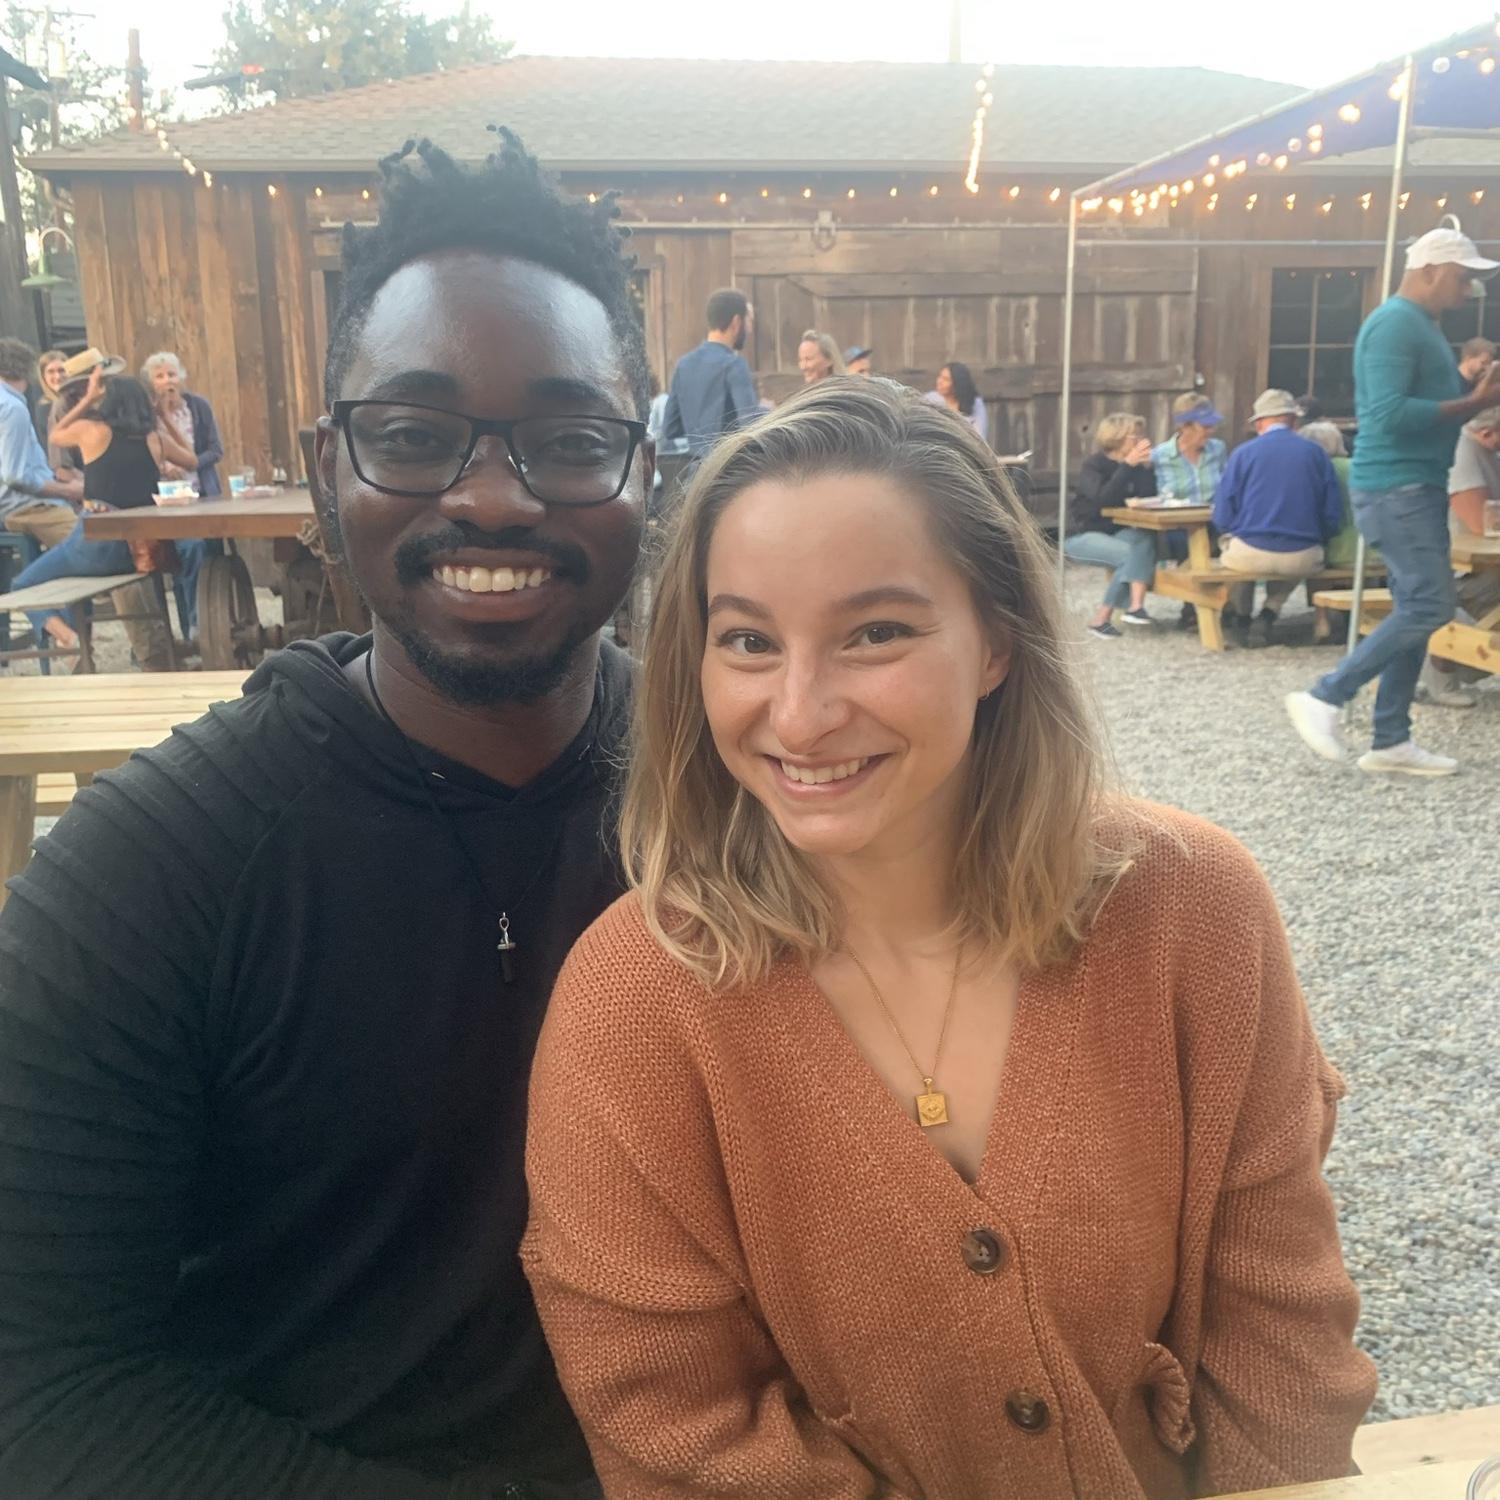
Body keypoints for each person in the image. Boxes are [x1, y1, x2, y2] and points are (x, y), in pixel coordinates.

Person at [523, 378, 1375, 1500]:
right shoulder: (635, 999)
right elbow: (675, 1426)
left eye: (876, 633)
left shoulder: (1193, 911)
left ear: (997, 643)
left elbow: (1282, 1345)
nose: (800, 712)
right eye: (749, 641)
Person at [0, 130, 650, 1497]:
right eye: (411, 437)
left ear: (645, 474)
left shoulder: (754, 800)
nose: (492, 497)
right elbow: (41, 1387)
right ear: (323, 467)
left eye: (570, 441)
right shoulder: (147, 878)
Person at [1287, 223, 1500, 776]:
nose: (1468, 290)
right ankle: (1325, 695)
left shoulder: (1417, 324)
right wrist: (1471, 401)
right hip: (1396, 486)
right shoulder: (1395, 325)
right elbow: (1387, 414)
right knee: (1431, 605)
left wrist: (1473, 394)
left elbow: (1414, 404)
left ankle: (1391, 739)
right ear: (1429, 270)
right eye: (1461, 278)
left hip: (1411, 485)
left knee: (1416, 608)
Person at [10, 364, 191, 668]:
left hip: (94, 547)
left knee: (23, 585)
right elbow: (192, 459)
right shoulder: (155, 439)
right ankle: (143, 651)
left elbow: (56, 435)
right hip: (138, 554)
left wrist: (86, 399)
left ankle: (69, 639)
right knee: (73, 578)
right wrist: (166, 418)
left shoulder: (93, 431)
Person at [1212, 389, 1344, 648]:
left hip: (1250, 552)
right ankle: (1269, 611)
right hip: (1302, 555)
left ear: (1259, 423)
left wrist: (1233, 528)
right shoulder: (1316, 454)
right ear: (1294, 421)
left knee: (1234, 554)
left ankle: (1240, 615)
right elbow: (1331, 513)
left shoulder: (1242, 454)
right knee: (1298, 560)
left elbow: (1223, 514)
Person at [1417, 406, 1500, 708]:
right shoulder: (1464, 452)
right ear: (1487, 433)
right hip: (1464, 571)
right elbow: (1481, 522)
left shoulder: (1484, 451)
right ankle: (1447, 667)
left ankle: (1458, 663)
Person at [141, 350, 228, 636]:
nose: (167, 381)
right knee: (188, 551)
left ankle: (218, 623)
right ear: (150, 382)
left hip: (203, 493)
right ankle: (192, 624)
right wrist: (165, 468)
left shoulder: (198, 407)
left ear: (181, 377)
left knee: (214, 551)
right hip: (168, 501)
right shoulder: (146, 415)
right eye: (160, 376)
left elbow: (215, 450)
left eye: (171, 374)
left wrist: (191, 464)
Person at [1064, 410, 1160, 636]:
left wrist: (1146, 469)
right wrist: (1126, 466)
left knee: (1144, 539)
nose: (1141, 441)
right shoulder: (1094, 465)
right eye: (1135, 436)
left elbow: (1147, 497)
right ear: (1117, 438)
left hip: (1117, 531)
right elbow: (1101, 499)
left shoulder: (1137, 467)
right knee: (1130, 555)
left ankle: (1135, 607)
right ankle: (1101, 619)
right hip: (1083, 534)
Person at [0, 337, 82, 554]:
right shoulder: (12, 408)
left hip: (22, 503)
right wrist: (68, 491)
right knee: (99, 547)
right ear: (28, 370)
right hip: (26, 507)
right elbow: (16, 477)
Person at [661, 287, 760, 458]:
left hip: (695, 470)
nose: (750, 329)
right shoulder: (734, 365)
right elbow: (751, 426)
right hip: (727, 468)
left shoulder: (683, 365)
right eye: (749, 321)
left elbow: (670, 428)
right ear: (736, 322)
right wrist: (765, 411)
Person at [1152, 392, 1227, 503]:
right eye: (1206, 426)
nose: (1211, 431)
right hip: (1176, 514)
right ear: (1185, 426)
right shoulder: (1159, 455)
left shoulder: (1217, 449)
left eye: (1212, 426)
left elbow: (1227, 490)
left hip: (1212, 514)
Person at [925, 358, 986, 436]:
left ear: (957, 383)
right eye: (940, 376)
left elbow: (980, 435)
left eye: (946, 379)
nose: (939, 381)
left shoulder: (976, 403)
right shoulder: (930, 399)